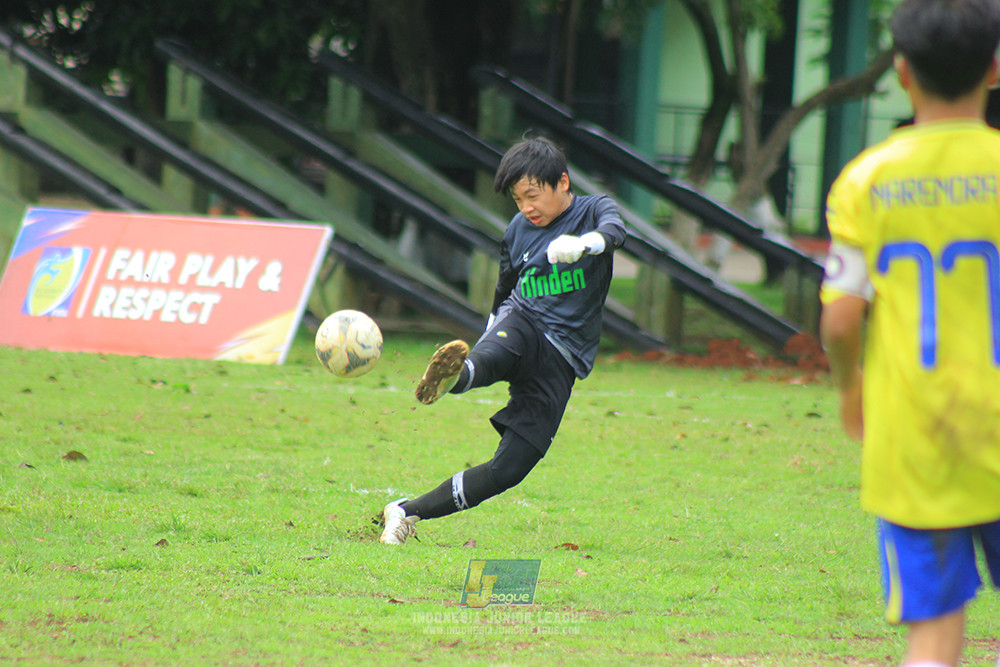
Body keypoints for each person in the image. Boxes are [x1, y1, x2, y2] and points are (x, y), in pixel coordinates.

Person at [819, 1, 1000, 665]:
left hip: (917, 436)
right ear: (994, 68)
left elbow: (840, 317)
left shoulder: (866, 179)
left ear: (902, 73)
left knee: (933, 634)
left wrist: (849, 390)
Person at [378, 136, 626, 545]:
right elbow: (504, 287)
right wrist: (487, 333)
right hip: (524, 321)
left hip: (562, 358)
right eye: (517, 199)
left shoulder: (593, 210)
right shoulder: (518, 230)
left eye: (532, 195)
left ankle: (404, 512)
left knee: (508, 470)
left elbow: (615, 231)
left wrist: (584, 243)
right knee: (499, 348)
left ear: (562, 182)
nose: (526, 207)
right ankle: (456, 378)